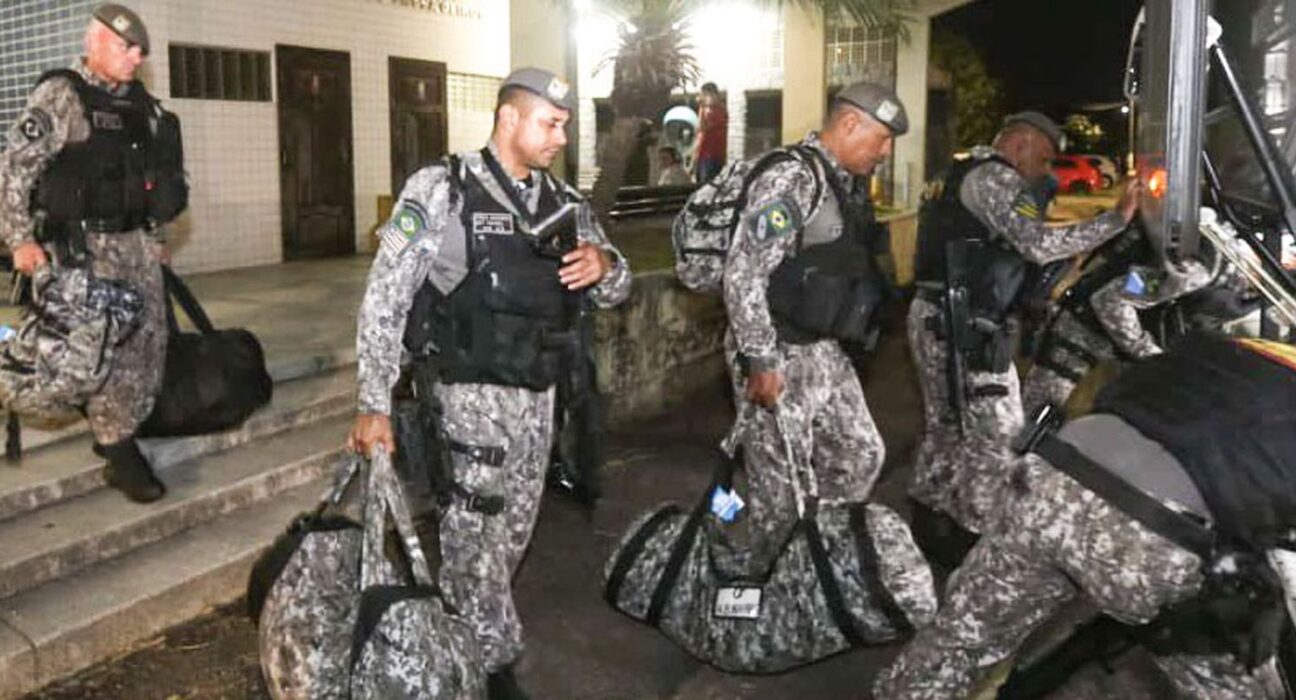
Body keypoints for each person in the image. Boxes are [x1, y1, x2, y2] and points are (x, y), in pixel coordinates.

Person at [347, 67, 631, 699]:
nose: (561, 136)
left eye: (564, 125)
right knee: (473, 539)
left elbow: (620, 285)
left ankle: (463, 643)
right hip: (467, 399)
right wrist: (374, 402)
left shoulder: (565, 205)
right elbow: (386, 297)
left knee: (509, 540)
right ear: (509, 117)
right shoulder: (443, 190)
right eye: (550, 123)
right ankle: (486, 668)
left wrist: (605, 264)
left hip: (539, 400)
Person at [876, 334, 1296, 699]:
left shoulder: (1238, 348)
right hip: (1150, 541)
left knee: (961, 638)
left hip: (1051, 477)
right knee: (1236, 673)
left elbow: (1121, 388)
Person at [907, 111, 1140, 541]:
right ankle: (970, 531)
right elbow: (1037, 244)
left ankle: (927, 518)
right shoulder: (996, 179)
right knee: (999, 433)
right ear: (1020, 145)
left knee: (945, 426)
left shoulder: (962, 172)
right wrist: (1116, 220)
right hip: (963, 325)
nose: (1046, 170)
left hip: (936, 313)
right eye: (1045, 158)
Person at [722, 81, 906, 574]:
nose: (886, 151)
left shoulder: (843, 181)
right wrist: (760, 359)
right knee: (782, 492)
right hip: (776, 348)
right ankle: (761, 584)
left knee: (861, 454)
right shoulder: (792, 179)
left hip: (822, 348)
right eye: (882, 138)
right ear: (849, 124)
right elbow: (743, 273)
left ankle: (811, 556)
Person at [0, 4, 176, 503]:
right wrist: (19, 240)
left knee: (147, 345)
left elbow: (146, 180)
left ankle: (119, 427)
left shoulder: (139, 104)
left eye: (141, 50)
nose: (137, 57)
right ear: (96, 43)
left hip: (136, 248)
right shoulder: (61, 95)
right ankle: (118, 449)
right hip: (85, 251)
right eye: (127, 47)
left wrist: (156, 238)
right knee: (98, 350)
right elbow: (14, 168)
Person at [692, 82, 728, 183]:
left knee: (707, 185)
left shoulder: (719, 110)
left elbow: (703, 127)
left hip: (712, 155)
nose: (703, 97)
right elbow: (699, 129)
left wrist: (702, 107)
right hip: (702, 154)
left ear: (713, 94)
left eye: (705, 94)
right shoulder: (706, 109)